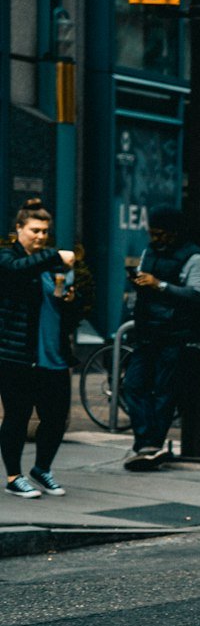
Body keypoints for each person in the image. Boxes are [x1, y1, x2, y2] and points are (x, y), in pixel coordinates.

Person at [0, 199, 79, 498]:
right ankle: (13, 476)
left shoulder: (52, 265)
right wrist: (54, 255)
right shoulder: (8, 259)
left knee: (55, 418)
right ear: (18, 229)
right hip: (18, 354)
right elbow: (19, 270)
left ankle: (42, 469)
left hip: (54, 355)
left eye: (45, 231)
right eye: (34, 230)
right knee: (17, 417)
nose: (41, 236)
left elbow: (65, 314)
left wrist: (70, 301)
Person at [123, 207, 200, 472]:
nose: (155, 238)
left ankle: (152, 443)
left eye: (160, 234)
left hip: (174, 333)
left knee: (163, 391)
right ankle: (145, 443)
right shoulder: (150, 253)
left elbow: (198, 294)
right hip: (147, 330)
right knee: (132, 386)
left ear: (174, 233)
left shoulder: (194, 257)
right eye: (152, 233)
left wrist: (158, 285)